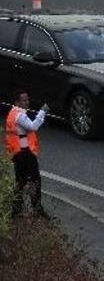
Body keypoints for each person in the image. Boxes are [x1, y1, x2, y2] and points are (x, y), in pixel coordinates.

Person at [5, 90, 49, 218]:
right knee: (35, 180)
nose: (27, 102)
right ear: (17, 102)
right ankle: (36, 209)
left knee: (21, 181)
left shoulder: (12, 113)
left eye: (27, 99)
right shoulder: (19, 116)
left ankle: (16, 210)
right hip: (25, 153)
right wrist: (43, 112)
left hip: (18, 153)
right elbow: (33, 127)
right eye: (23, 100)